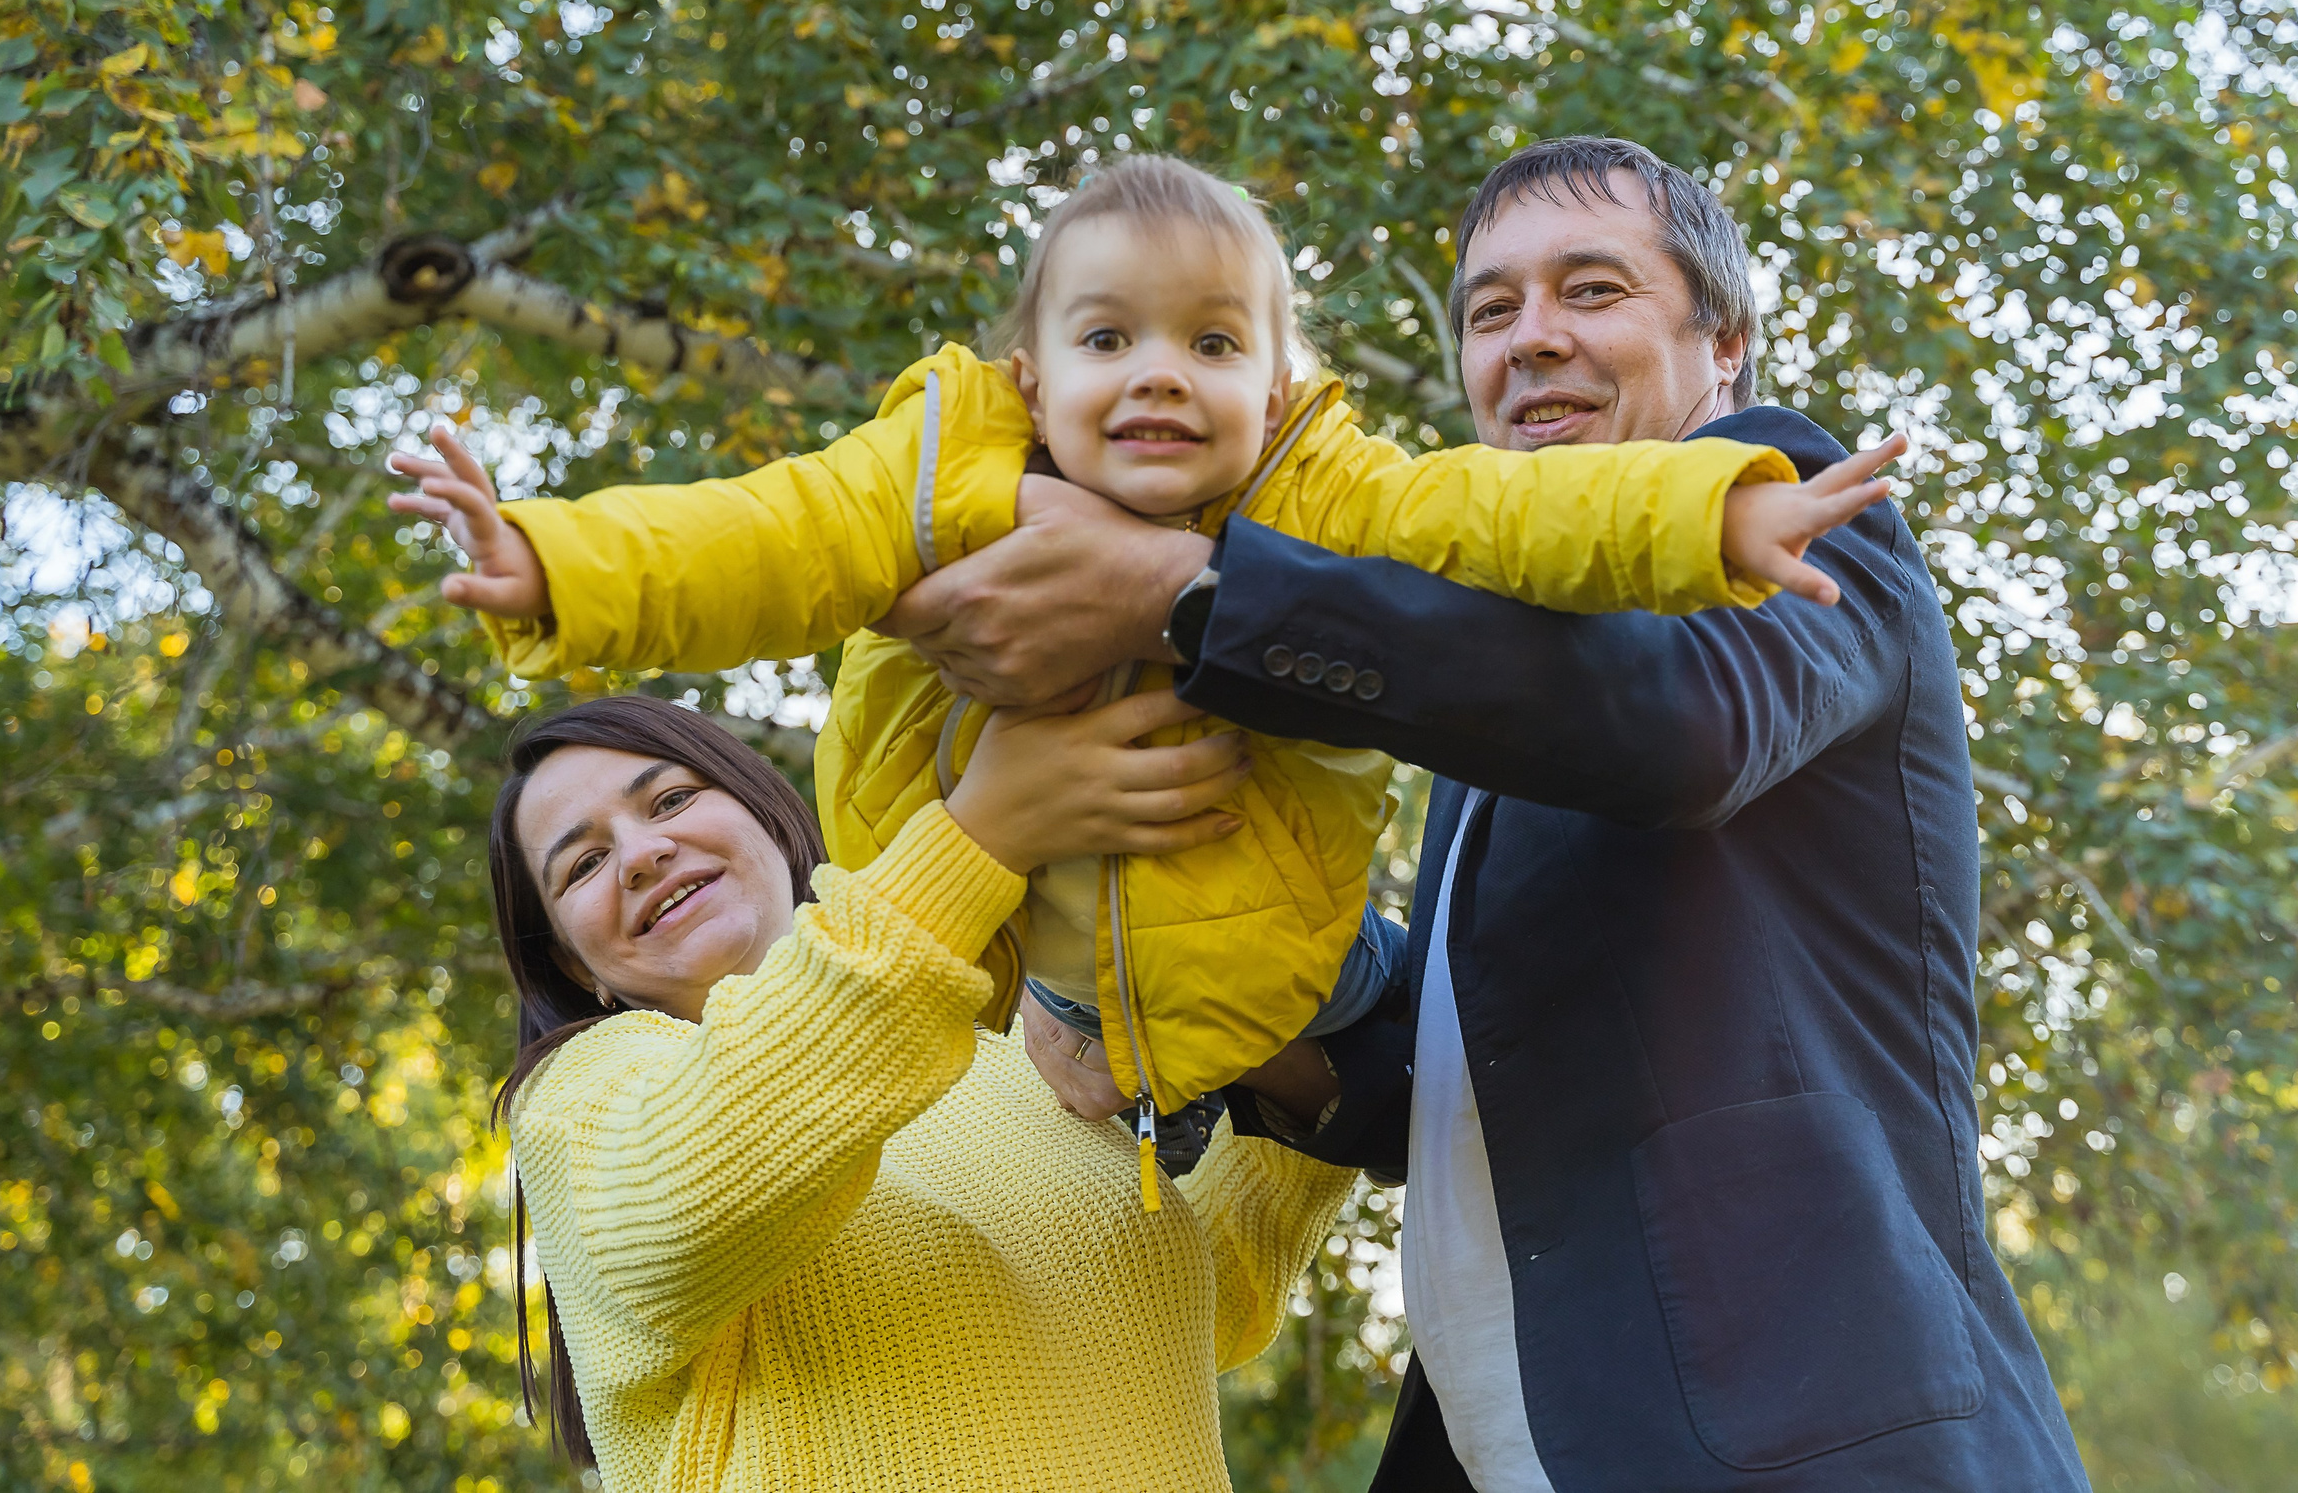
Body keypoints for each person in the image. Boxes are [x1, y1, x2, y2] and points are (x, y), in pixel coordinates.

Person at [879, 137, 2092, 1490]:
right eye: (1491, 309)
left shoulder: (1787, 505)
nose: (1532, 339)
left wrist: (1192, 587)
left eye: (1592, 290)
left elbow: (1678, 725)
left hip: (1807, 1437)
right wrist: (1160, 977)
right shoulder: (1506, 670)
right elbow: (1465, 1062)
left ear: (1726, 343)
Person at [392, 154, 1899, 1192]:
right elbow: (757, 532)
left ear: (1277, 386)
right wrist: (556, 562)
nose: (1159, 374)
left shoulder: (1379, 513)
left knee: (1359, 969)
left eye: (1594, 289)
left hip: (1733, 1383)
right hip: (1041, 957)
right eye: (1493, 306)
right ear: (1032, 374)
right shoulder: (936, 474)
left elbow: (1558, 580)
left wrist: (1721, 505)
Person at [484, 690, 1354, 1492]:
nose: (641, 854)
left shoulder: (1019, 1052)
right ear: (571, 961)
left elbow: (1192, 1307)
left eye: (670, 800)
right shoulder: (580, 1099)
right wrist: (981, 832)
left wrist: (1289, 1035)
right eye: (585, 864)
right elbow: (699, 1180)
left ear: (763, 811)